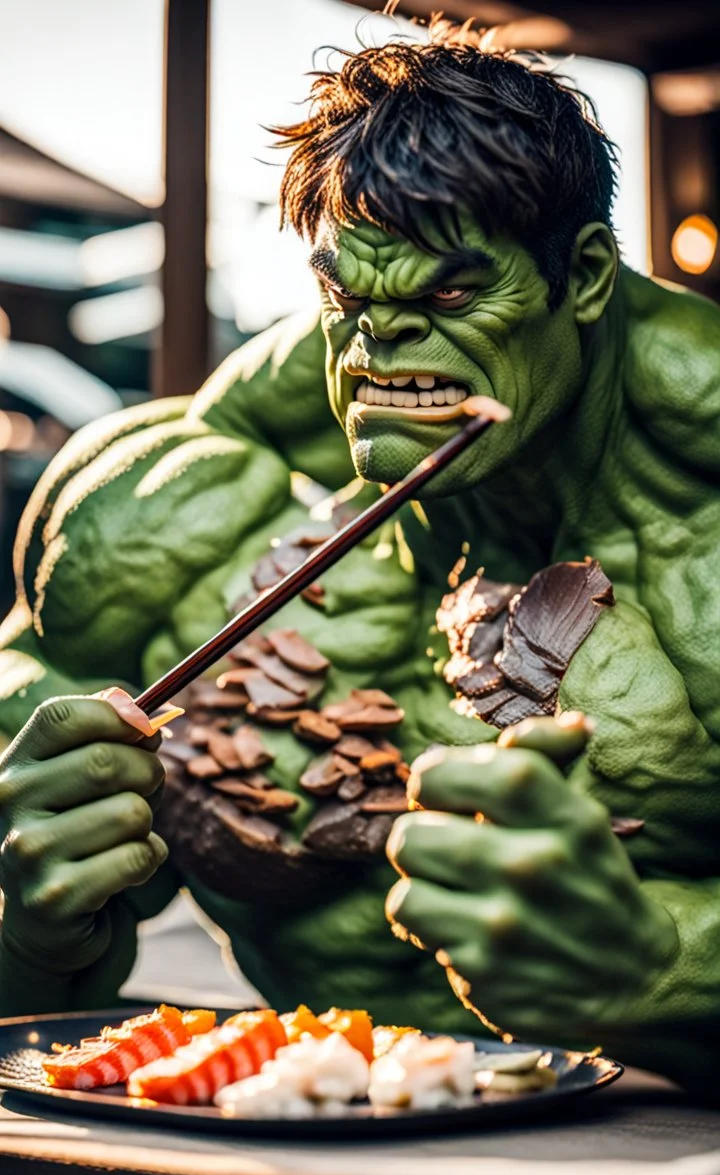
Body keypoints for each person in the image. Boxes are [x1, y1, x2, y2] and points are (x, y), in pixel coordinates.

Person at [0, 21, 718, 1091]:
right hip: (294, 1165)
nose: (385, 354)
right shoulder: (196, 495)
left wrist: (664, 974)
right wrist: (29, 923)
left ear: (583, 277)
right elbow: (23, 973)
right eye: (351, 302)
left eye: (451, 296)